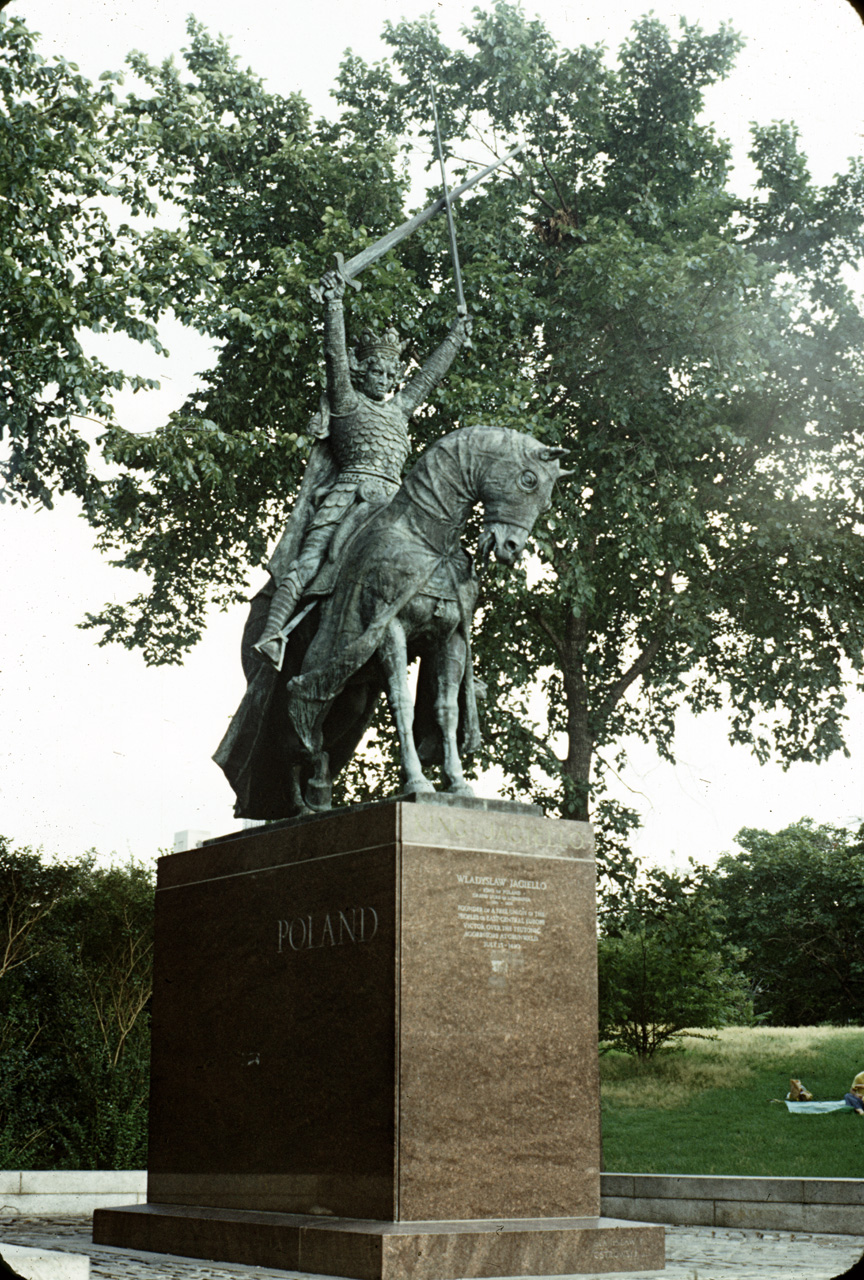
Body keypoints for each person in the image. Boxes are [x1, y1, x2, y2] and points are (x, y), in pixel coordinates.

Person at [252, 268, 472, 668]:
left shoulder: (400, 410)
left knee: (445, 563)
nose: (385, 379)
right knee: (310, 562)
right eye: (377, 370)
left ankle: (452, 658)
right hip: (348, 497)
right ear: (361, 370)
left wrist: (456, 336)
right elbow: (334, 356)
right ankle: (273, 634)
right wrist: (334, 304)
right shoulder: (346, 403)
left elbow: (429, 376)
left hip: (396, 505)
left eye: (391, 374)